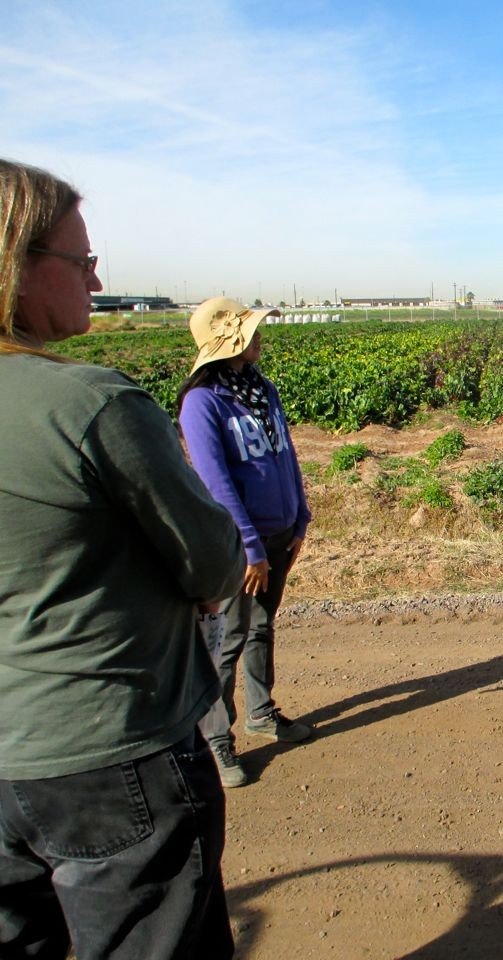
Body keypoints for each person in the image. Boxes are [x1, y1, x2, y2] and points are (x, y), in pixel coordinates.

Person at [0, 159, 243, 957]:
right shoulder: (88, 402)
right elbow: (210, 561)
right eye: (81, 260)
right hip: (105, 744)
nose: (96, 276)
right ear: (18, 267)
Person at [178, 297, 314, 787]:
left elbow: (286, 455)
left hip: (279, 534)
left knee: (261, 627)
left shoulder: (261, 389)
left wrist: (301, 518)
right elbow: (215, 482)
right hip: (241, 544)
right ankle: (217, 738)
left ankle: (261, 711)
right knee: (229, 639)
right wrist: (251, 547)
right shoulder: (203, 403)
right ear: (228, 342)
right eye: (251, 330)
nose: (260, 337)